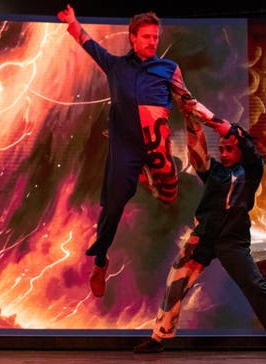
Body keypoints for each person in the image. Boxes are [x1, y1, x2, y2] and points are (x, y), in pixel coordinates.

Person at [57, 4, 229, 298]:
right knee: (113, 205)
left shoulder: (167, 69)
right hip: (126, 148)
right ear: (132, 38)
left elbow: (188, 101)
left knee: (170, 194)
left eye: (155, 37)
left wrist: (217, 123)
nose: (152, 42)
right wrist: (73, 22)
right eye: (146, 36)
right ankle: (100, 262)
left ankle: (147, 175)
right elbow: (88, 43)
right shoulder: (115, 66)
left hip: (156, 148)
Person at [133, 121, 266, 354]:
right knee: (175, 283)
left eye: (229, 149)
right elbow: (198, 153)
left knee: (255, 285)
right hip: (203, 237)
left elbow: (248, 149)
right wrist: (190, 118)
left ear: (240, 150)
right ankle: (158, 339)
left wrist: (229, 130)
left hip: (232, 239)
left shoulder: (251, 171)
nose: (223, 154)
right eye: (221, 150)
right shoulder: (214, 171)